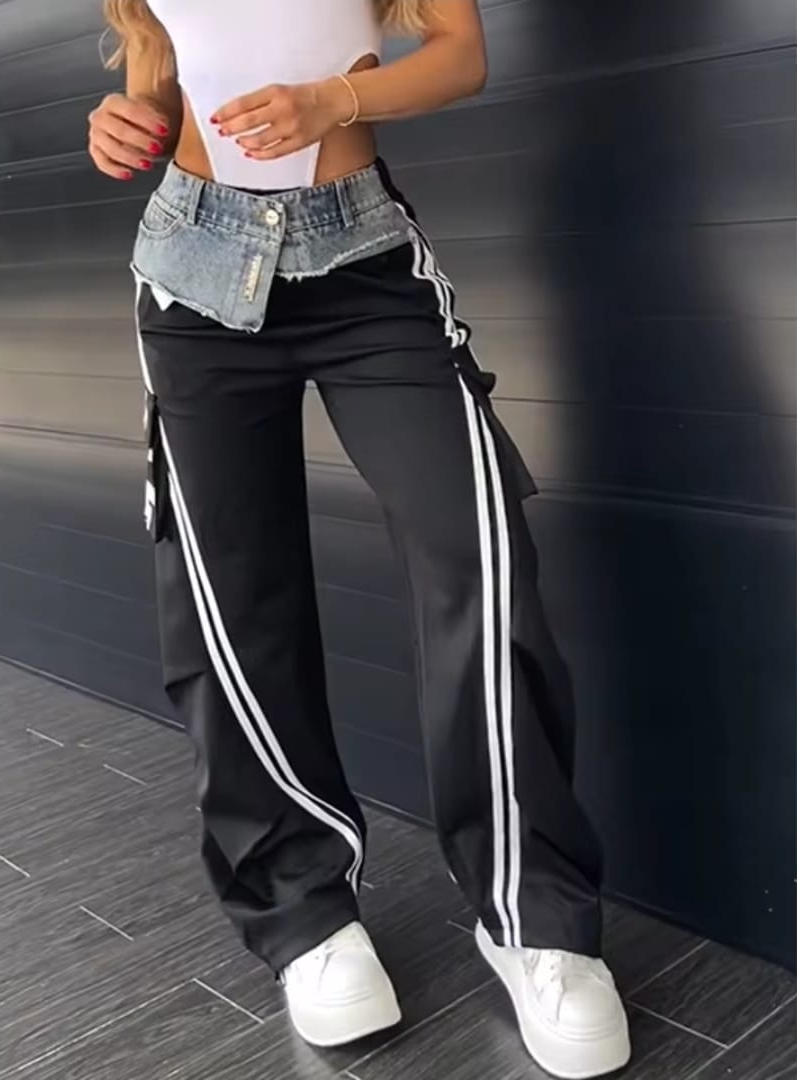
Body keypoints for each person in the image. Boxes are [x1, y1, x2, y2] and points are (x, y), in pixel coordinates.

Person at [88, 2, 631, 1076]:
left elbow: (459, 55)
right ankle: (306, 913)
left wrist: (331, 100)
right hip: (192, 264)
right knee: (230, 602)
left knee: (476, 556)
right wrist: (126, 117)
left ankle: (534, 915)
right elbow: (161, 60)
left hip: (363, 257)